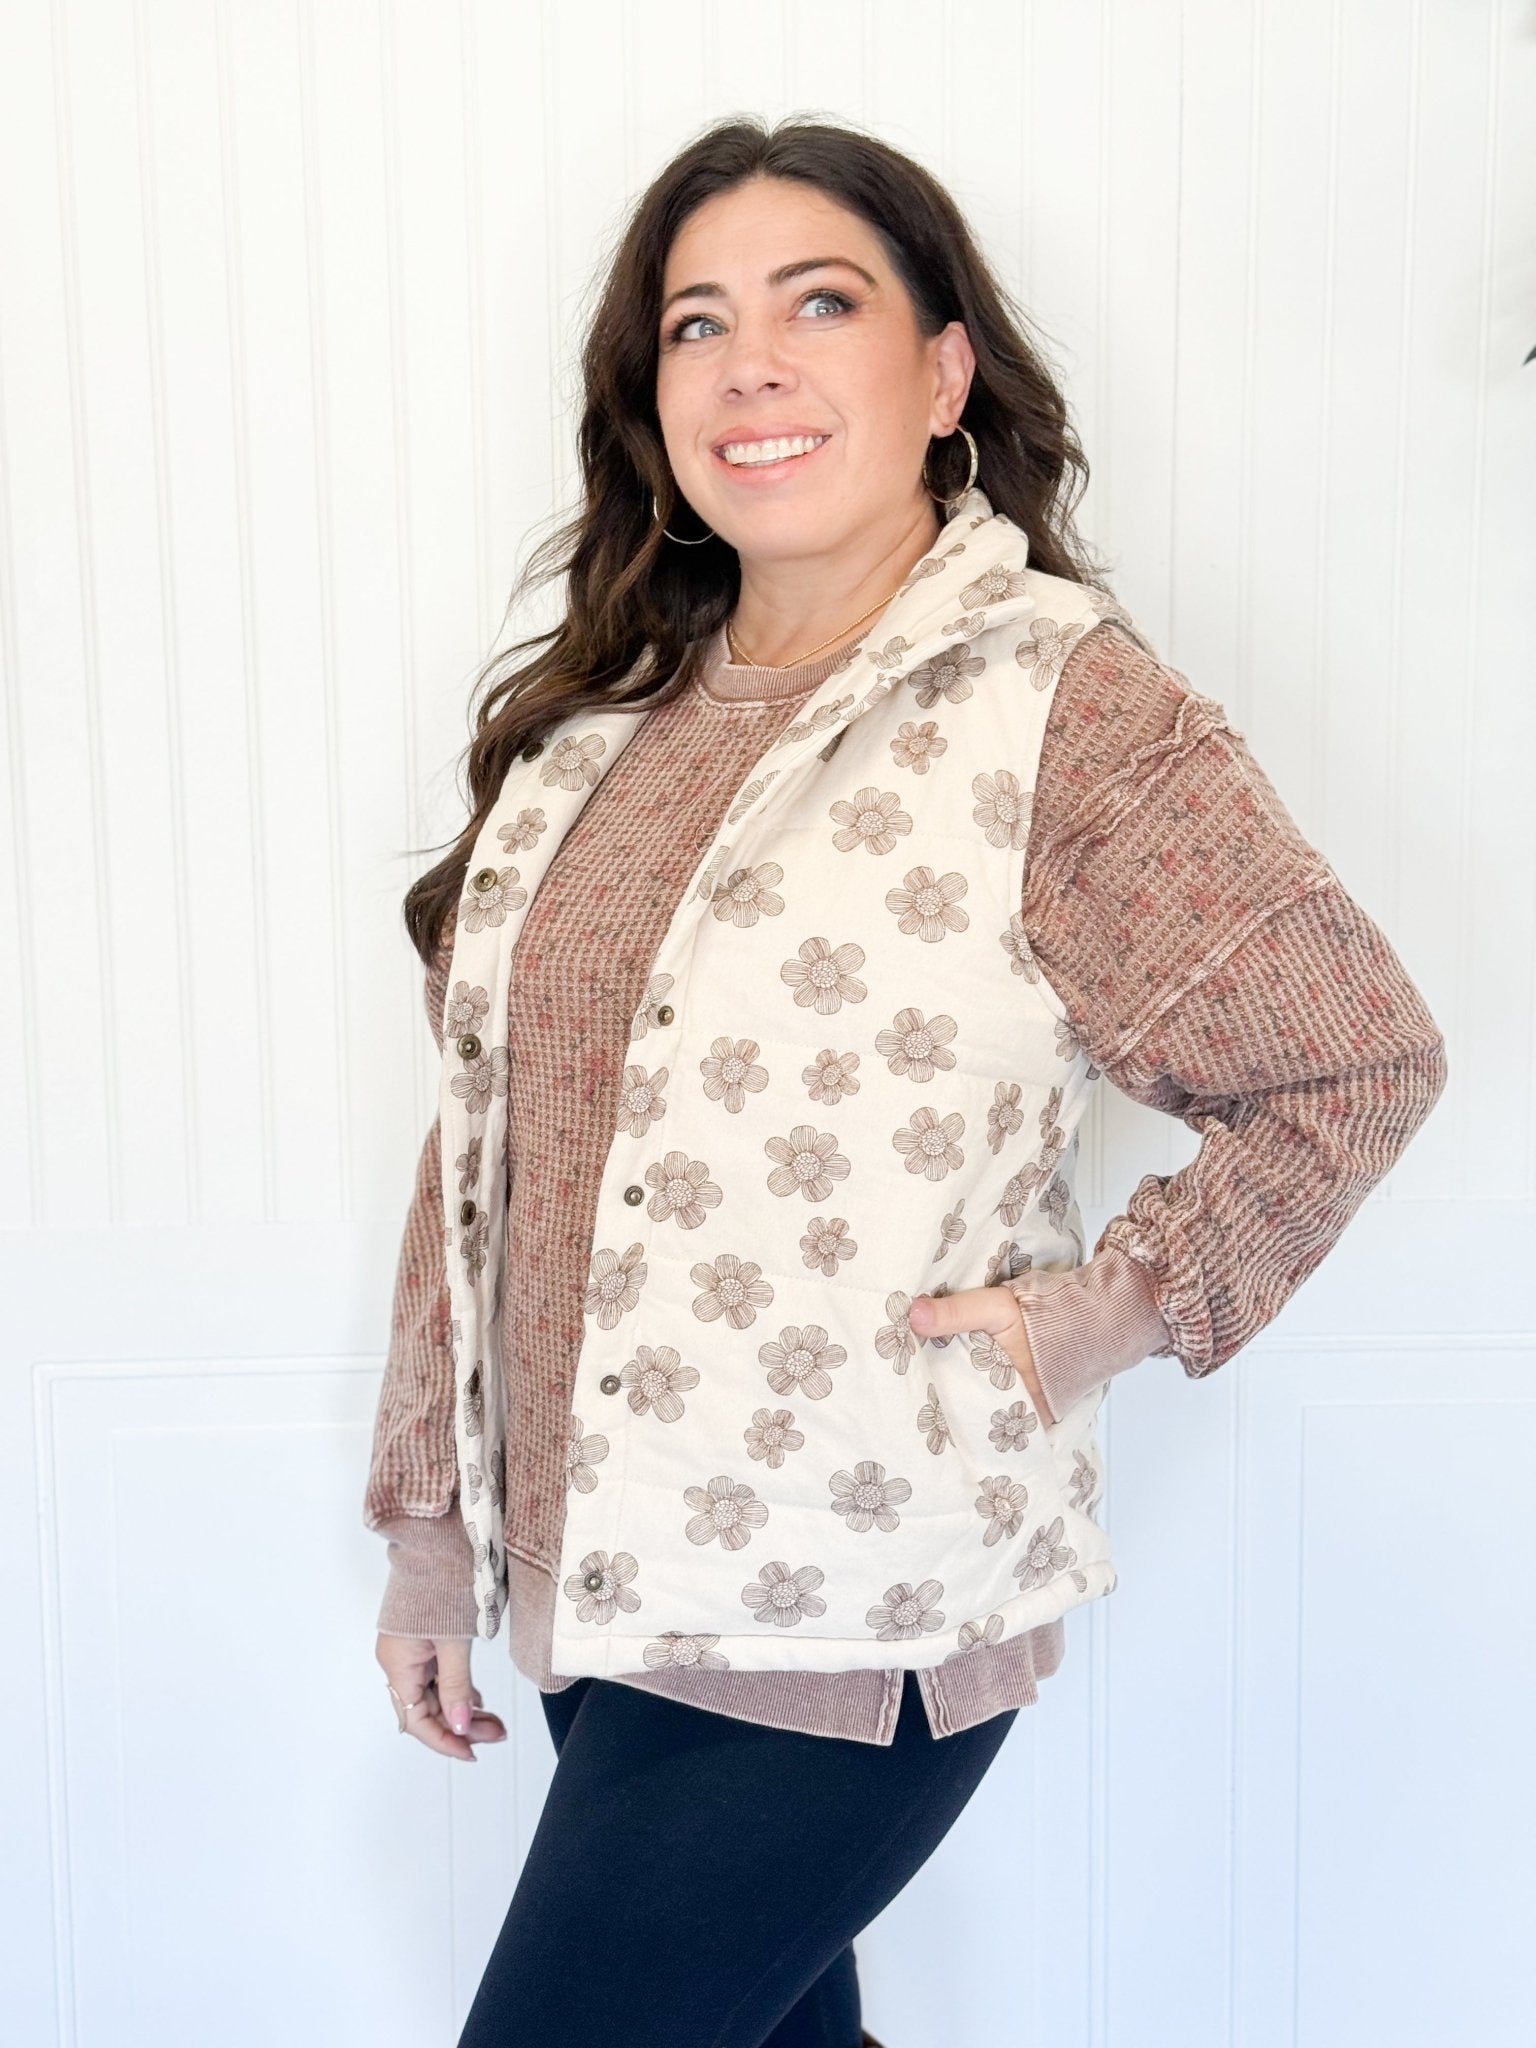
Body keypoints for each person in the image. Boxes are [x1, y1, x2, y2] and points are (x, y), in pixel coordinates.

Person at [363, 116, 1447, 2048]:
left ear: (943, 374)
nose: (749, 365)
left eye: (820, 304)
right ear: (652, 401)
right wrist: (436, 1541)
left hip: (846, 1589)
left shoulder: (1059, 705)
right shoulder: (598, 729)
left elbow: (1350, 1056)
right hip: (589, 1584)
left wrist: (1105, 1311)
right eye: (697, 323)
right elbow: (485, 1150)